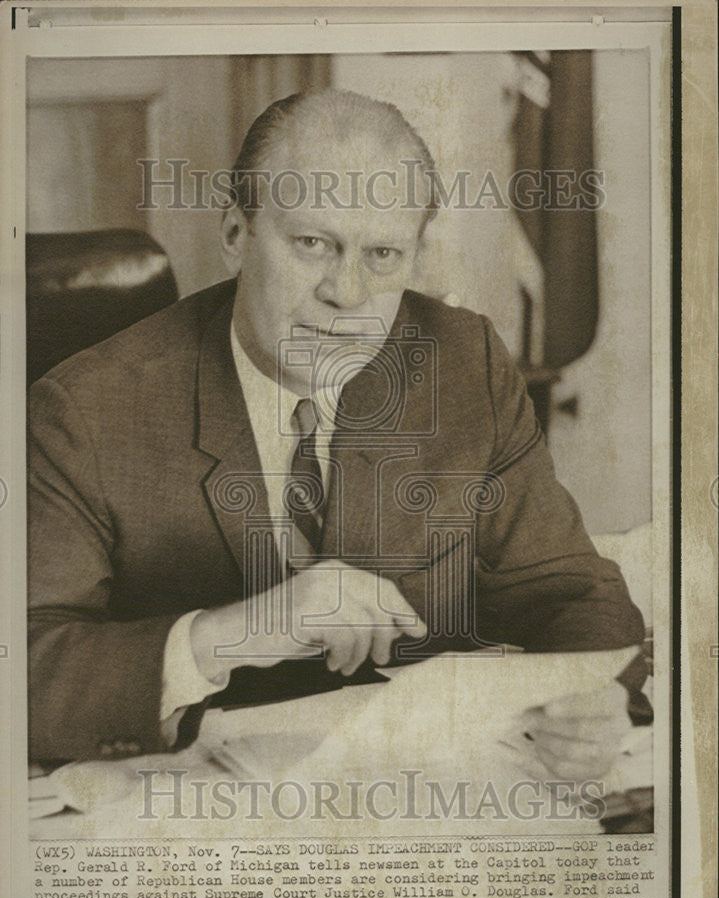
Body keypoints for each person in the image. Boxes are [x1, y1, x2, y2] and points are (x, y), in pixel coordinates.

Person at [28, 89, 646, 775]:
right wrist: (227, 635)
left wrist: (588, 696)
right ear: (236, 235)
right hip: (189, 805)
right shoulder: (87, 409)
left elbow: (568, 588)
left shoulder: (459, 360)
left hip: (417, 789)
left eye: (382, 254)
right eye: (313, 243)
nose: (346, 293)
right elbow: (21, 663)